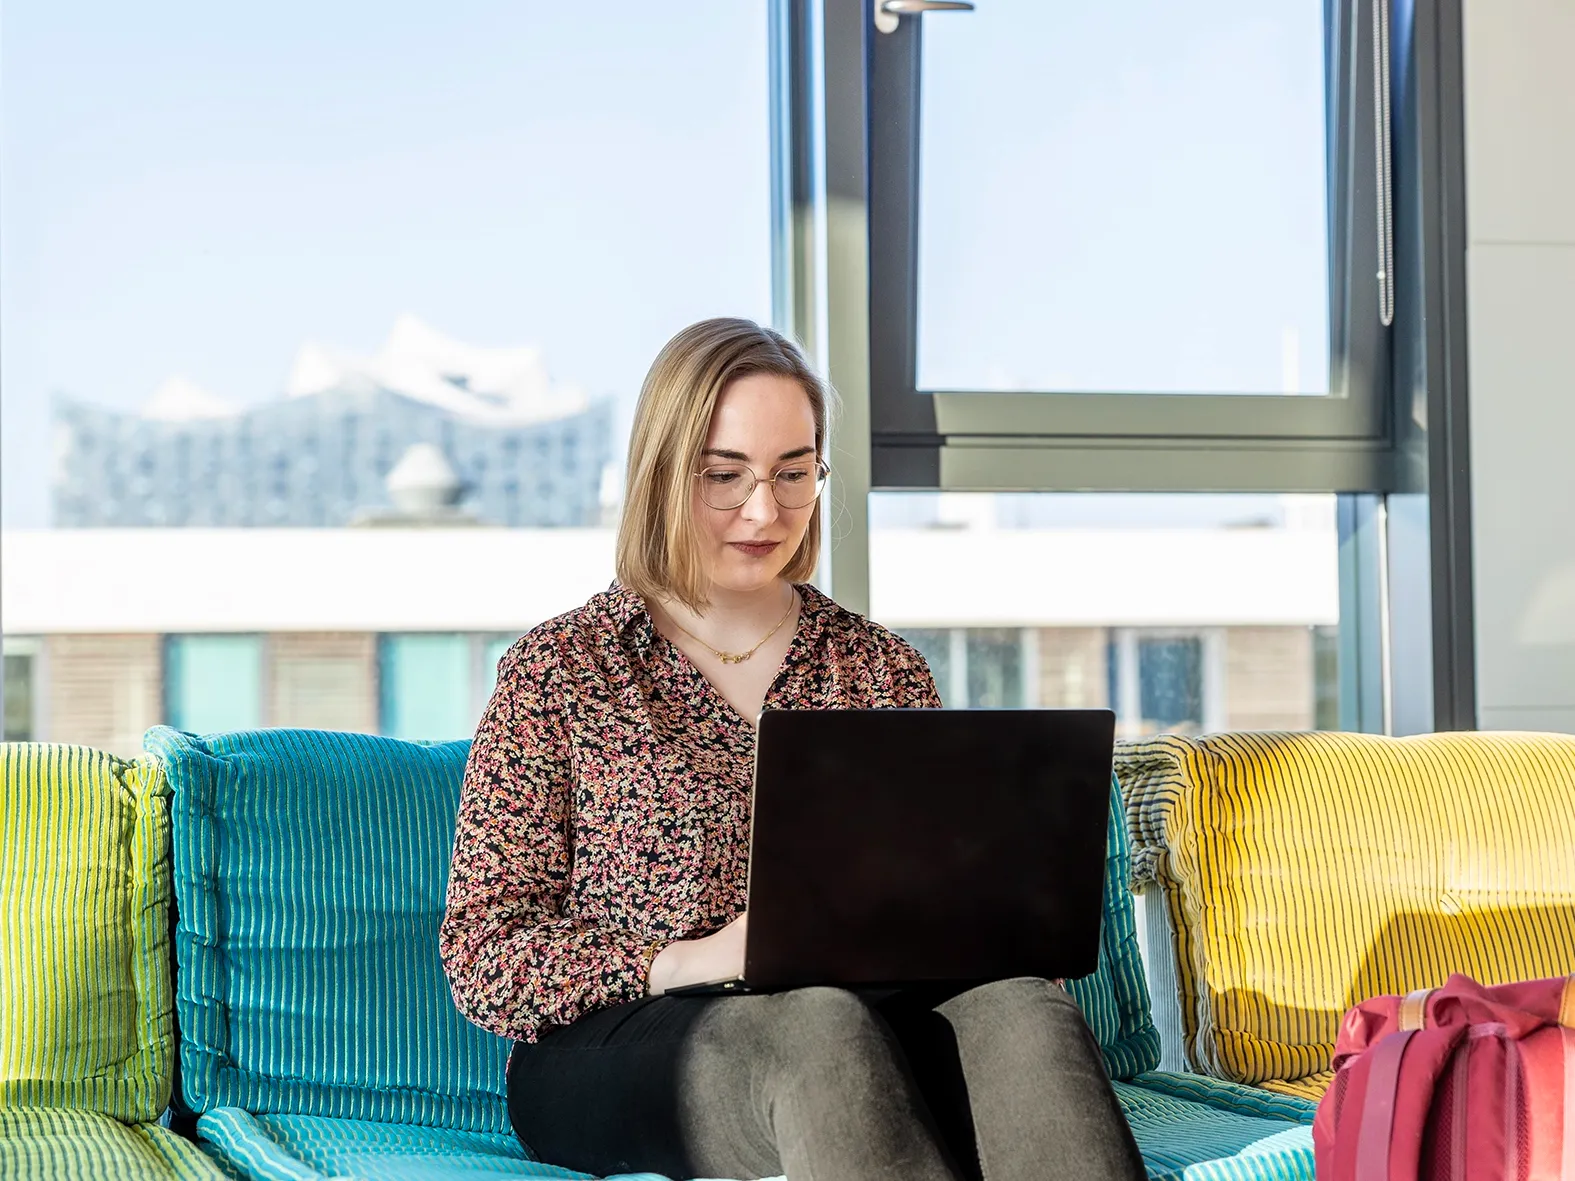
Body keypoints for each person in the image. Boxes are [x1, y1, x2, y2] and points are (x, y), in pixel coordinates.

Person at [439, 318, 1145, 1181]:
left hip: (863, 1022)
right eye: (724, 475)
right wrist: (691, 959)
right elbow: (485, 951)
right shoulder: (560, 671)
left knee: (1025, 1009)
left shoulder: (878, 665)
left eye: (792, 473)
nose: (764, 510)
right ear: (661, 473)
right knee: (813, 1024)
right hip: (622, 1041)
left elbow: (934, 895)